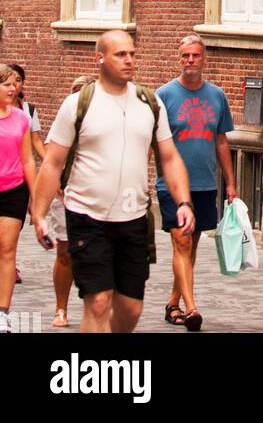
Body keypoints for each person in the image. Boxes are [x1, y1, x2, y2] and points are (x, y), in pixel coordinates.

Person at [31, 30, 194, 334]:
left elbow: (170, 158)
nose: (129, 60)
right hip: (86, 216)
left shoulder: (150, 102)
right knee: (98, 302)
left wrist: (184, 202)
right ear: (100, 59)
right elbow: (53, 162)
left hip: (132, 218)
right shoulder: (78, 104)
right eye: (121, 54)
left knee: (130, 308)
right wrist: (39, 215)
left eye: (132, 53)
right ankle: (95, 376)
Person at [156, 34, 236, 331]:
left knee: (191, 247)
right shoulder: (163, 95)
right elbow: (154, 141)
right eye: (185, 56)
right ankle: (191, 308)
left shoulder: (217, 95)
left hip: (204, 183)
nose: (190, 61)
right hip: (172, 186)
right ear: (179, 59)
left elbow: (222, 140)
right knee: (182, 242)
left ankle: (172, 303)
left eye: (195, 56)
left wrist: (230, 181)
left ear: (204, 59)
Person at [44, 74, 95, 328]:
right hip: (65, 194)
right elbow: (52, 158)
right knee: (65, 252)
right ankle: (61, 308)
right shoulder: (64, 120)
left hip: (97, 196)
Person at [0, 63, 36, 333]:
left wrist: (37, 199)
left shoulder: (21, 118)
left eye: (15, 84)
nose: (13, 89)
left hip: (14, 190)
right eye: (7, 84)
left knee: (7, 249)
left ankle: (3, 312)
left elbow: (28, 161)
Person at [8, 64, 46, 160]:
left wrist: (49, 164)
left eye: (18, 80)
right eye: (10, 80)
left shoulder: (29, 109)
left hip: (21, 164)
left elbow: (36, 140)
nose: (14, 85)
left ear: (23, 83)